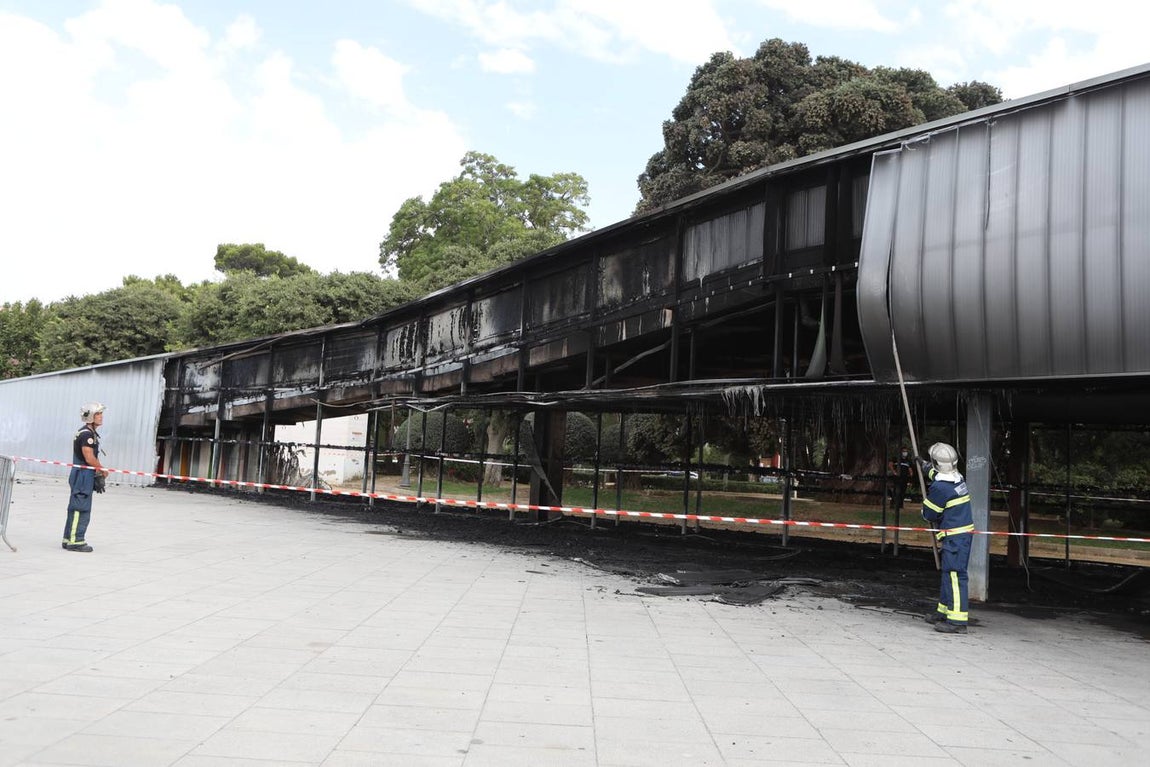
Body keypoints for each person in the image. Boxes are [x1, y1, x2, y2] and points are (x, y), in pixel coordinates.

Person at [921, 442, 973, 633]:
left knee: (955, 575)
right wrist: (925, 467)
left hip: (955, 537)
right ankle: (943, 611)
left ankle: (957, 622)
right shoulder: (958, 479)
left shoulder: (941, 489)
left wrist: (925, 505)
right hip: (959, 535)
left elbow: (929, 514)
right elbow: (939, 476)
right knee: (948, 574)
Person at [63, 402, 108, 552]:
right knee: (80, 508)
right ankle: (76, 541)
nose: (101, 417)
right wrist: (101, 470)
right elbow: (88, 458)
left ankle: (68, 538)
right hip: (83, 475)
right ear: (90, 417)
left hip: (82, 474)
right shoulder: (87, 435)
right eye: (98, 414)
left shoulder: (87, 432)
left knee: (74, 506)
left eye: (101, 414)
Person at [887, 445, 915, 509]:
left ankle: (900, 505)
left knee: (903, 492)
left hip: (904, 478)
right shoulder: (896, 459)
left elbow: (910, 469)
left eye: (906, 451)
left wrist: (910, 476)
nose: (905, 453)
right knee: (896, 491)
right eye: (903, 451)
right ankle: (893, 504)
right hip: (897, 478)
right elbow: (890, 464)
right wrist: (894, 472)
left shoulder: (908, 461)